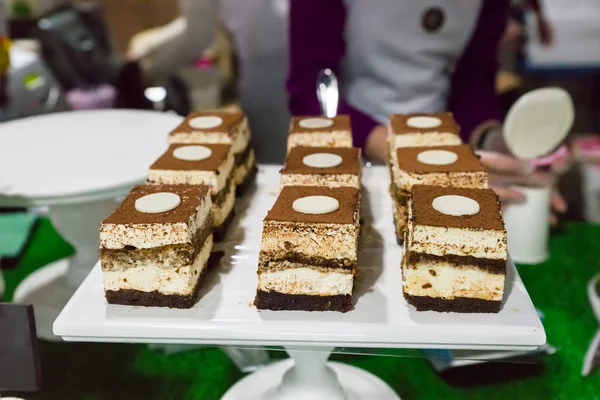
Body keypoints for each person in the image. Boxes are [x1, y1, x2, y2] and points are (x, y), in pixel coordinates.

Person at [286, 0, 566, 217]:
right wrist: (419, 159)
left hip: (446, 151)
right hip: (356, 152)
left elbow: (473, 88)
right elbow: (312, 94)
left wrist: (493, 142)